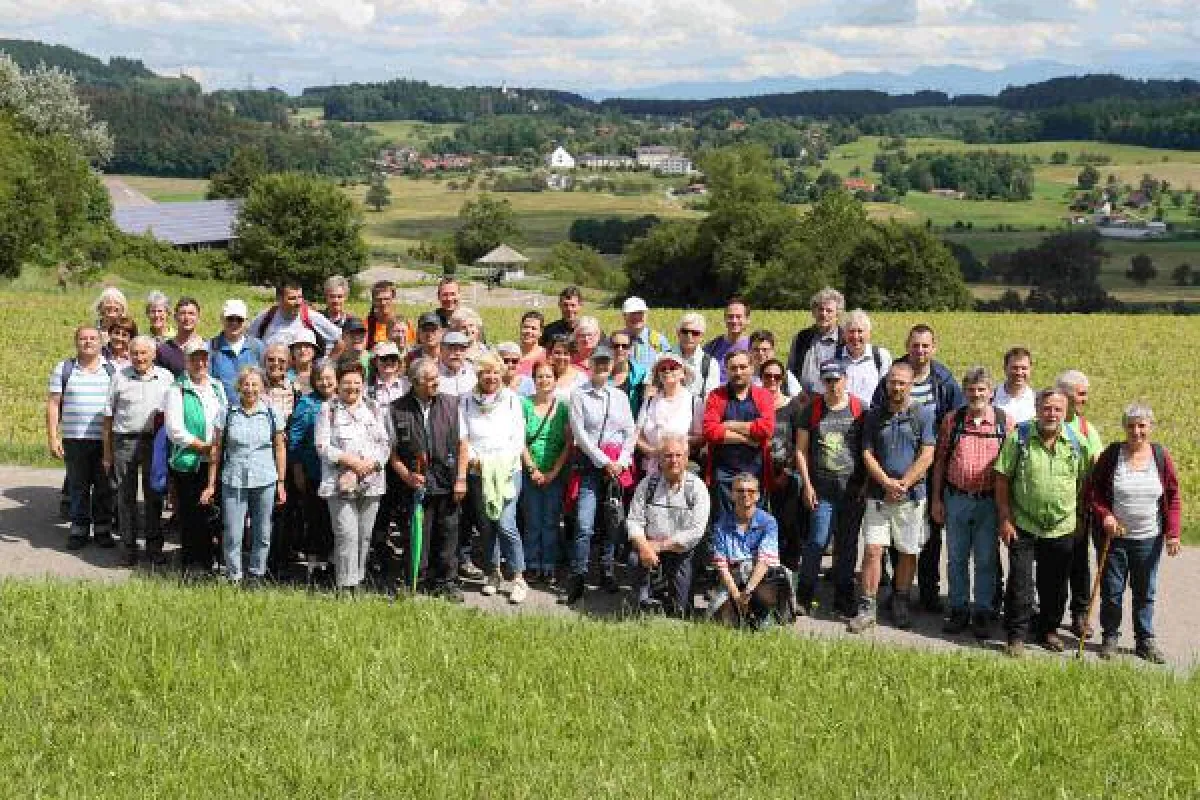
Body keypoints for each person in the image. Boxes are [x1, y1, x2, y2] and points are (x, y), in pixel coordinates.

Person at [872, 324, 964, 613]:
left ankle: (928, 590)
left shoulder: (944, 381)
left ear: (933, 348)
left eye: (925, 346)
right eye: (915, 345)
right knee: (896, 537)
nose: (920, 351)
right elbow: (877, 416)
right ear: (907, 346)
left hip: (931, 465)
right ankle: (898, 593)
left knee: (929, 535)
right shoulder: (894, 376)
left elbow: (956, 419)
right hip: (893, 466)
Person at [1086, 402, 1182, 664]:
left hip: (1149, 539)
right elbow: (1093, 490)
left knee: (1145, 591)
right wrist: (1105, 514)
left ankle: (1145, 640)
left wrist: (1173, 533)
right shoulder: (1113, 454)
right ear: (1124, 427)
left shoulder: (1160, 457)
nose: (1136, 431)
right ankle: (1110, 638)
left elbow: (1173, 496)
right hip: (1114, 538)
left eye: (1142, 426)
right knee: (1112, 590)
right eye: (1131, 425)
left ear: (1150, 427)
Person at [994, 388, 1087, 657]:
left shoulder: (1076, 442)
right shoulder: (1020, 437)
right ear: (1037, 409)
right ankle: (1017, 636)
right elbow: (1002, 477)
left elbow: (1083, 482)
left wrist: (1079, 516)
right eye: (1047, 408)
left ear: (1065, 412)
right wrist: (1005, 517)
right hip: (1023, 523)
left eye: (1057, 409)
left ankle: (1048, 630)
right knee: (1021, 585)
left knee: (1055, 586)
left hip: (1062, 526)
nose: (1052, 414)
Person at [848, 362, 936, 633]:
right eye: (892, 382)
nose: (896, 388)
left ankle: (900, 601)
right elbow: (867, 454)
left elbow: (927, 454)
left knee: (908, 551)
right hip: (878, 495)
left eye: (902, 383)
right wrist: (886, 482)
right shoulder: (873, 416)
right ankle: (867, 608)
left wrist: (905, 483)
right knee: (873, 550)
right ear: (886, 384)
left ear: (911, 385)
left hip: (911, 497)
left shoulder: (923, 415)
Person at [929, 367, 1007, 638]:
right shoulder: (953, 420)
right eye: (972, 390)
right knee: (956, 558)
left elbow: (1009, 470)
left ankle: (984, 611)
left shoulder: (1003, 422)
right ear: (964, 392)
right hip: (956, 499)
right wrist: (937, 499)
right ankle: (959, 609)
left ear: (991, 393)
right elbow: (939, 461)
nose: (976, 395)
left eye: (982, 390)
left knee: (986, 559)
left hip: (988, 502)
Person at [385, 357, 469, 601]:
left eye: (436, 377)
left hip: (447, 482)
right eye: (430, 379)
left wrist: (461, 478)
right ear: (415, 382)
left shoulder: (452, 405)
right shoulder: (396, 409)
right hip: (414, 485)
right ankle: (414, 581)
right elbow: (391, 452)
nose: (436, 382)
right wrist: (405, 475)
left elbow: (464, 444)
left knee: (448, 534)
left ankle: (446, 582)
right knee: (416, 534)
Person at [792, 360, 866, 615]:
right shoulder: (811, 409)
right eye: (828, 380)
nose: (833, 385)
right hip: (822, 490)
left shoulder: (859, 409)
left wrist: (865, 485)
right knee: (817, 541)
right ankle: (804, 592)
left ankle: (844, 594)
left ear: (846, 379)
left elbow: (867, 451)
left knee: (847, 544)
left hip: (851, 490)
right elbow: (800, 450)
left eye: (837, 379)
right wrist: (807, 485)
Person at [201, 367, 286, 586]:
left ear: (262, 387)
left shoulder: (271, 413)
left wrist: (281, 482)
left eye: (255, 384)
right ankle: (234, 575)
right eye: (246, 384)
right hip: (234, 479)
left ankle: (257, 573)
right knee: (232, 532)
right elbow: (216, 449)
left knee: (263, 532)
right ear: (239, 386)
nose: (250, 389)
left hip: (265, 478)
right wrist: (211, 484)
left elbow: (279, 448)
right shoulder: (227, 412)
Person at [566, 345, 637, 605]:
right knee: (584, 525)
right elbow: (580, 434)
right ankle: (579, 574)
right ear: (590, 364)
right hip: (590, 466)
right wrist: (603, 461)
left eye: (607, 363)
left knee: (612, 523)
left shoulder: (619, 396)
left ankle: (607, 570)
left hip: (615, 468)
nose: (603, 367)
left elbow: (630, 430)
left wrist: (621, 461)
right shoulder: (579, 395)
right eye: (598, 362)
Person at [315, 359, 391, 592]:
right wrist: (351, 462)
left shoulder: (375, 407)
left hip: (372, 483)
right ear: (338, 384)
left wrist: (373, 463)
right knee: (346, 534)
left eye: (357, 382)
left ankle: (357, 580)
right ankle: (344, 585)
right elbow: (321, 446)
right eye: (347, 382)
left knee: (364, 536)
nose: (352, 387)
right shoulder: (328, 409)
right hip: (340, 484)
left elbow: (385, 444)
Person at [460, 352, 528, 603]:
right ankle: (493, 573)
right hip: (479, 471)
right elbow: (463, 435)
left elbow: (517, 438)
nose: (490, 377)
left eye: (495, 372)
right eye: (485, 372)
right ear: (478, 375)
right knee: (487, 524)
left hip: (508, 471)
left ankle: (519, 576)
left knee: (506, 523)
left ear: (502, 374)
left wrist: (502, 462)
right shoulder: (467, 401)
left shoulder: (512, 400)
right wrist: (476, 460)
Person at [102, 335, 173, 566]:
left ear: (153, 354)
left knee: (154, 496)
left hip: (155, 441)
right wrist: (107, 452)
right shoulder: (119, 376)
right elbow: (108, 417)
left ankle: (154, 548)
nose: (139, 358)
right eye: (135, 353)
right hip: (125, 441)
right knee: (125, 497)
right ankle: (128, 548)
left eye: (144, 353)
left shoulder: (165, 377)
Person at [47, 326, 116, 550]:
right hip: (74, 439)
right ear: (76, 342)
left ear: (100, 342)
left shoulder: (111, 369)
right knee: (78, 485)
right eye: (83, 338)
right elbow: (54, 404)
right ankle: (79, 528)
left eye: (92, 338)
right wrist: (53, 437)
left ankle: (103, 528)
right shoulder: (64, 368)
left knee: (104, 486)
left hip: (104, 440)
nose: (88, 342)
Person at [626, 433, 710, 615]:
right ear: (659, 460)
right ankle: (642, 601)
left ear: (686, 459)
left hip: (681, 551)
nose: (674, 460)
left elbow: (696, 531)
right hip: (650, 549)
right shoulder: (647, 485)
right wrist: (644, 547)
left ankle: (675, 598)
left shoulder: (697, 488)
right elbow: (633, 521)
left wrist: (659, 546)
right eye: (668, 456)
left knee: (680, 610)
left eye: (678, 455)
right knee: (635, 558)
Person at [164, 339, 227, 574]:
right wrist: (203, 447)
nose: (200, 362)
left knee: (212, 515)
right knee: (191, 515)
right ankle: (192, 565)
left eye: (203, 358)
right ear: (186, 361)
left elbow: (224, 419)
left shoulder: (217, 387)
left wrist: (218, 448)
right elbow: (174, 429)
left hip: (213, 462)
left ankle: (210, 562)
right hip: (189, 462)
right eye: (194, 358)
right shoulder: (176, 389)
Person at [708, 473, 793, 627]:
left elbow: (765, 561)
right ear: (732, 495)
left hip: (761, 578)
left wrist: (747, 592)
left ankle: (768, 615)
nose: (745, 494)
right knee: (721, 622)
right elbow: (721, 565)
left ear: (758, 496)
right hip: (733, 580)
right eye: (740, 490)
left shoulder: (768, 522)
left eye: (751, 491)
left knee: (774, 579)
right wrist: (735, 594)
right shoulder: (721, 524)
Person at [1059, 368, 1105, 640]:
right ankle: (1046, 612)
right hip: (1047, 509)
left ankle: (1079, 615)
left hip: (1077, 509)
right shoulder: (1044, 419)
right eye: (1081, 394)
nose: (1085, 400)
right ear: (1066, 394)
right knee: (1050, 563)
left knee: (1078, 563)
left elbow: (1099, 463)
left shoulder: (1087, 429)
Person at [702, 350, 775, 518]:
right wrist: (748, 439)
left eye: (743, 367)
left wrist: (730, 424)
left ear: (752, 368)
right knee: (724, 522)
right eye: (733, 368)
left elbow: (766, 429)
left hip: (756, 471)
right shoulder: (716, 396)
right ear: (726, 370)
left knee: (754, 521)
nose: (738, 372)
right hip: (724, 473)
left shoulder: (763, 395)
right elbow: (711, 431)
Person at [521, 360, 573, 586]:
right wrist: (532, 468)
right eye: (540, 376)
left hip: (554, 474)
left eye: (548, 376)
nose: (544, 381)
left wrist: (554, 472)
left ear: (555, 380)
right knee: (532, 521)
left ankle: (549, 565)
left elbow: (567, 444)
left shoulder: (563, 408)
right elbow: (519, 440)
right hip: (530, 471)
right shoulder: (524, 405)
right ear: (534, 380)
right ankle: (531, 564)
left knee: (551, 521)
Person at [758, 358, 807, 571]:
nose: (772, 380)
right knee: (760, 520)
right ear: (760, 378)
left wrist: (787, 472)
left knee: (787, 520)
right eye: (767, 376)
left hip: (785, 471)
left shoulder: (793, 407)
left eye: (776, 377)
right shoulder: (755, 405)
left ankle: (790, 562)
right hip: (759, 471)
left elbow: (799, 443)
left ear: (782, 379)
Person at [288, 360, 337, 570]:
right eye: (320, 378)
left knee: (334, 522)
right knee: (316, 520)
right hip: (314, 472)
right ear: (314, 381)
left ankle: (333, 565)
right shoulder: (306, 404)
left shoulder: (343, 401)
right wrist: (298, 470)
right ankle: (315, 567)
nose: (325, 383)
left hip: (338, 474)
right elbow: (295, 439)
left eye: (329, 378)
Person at [636, 352, 703, 476]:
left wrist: (675, 445)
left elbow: (701, 438)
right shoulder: (650, 400)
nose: (667, 371)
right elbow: (637, 435)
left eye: (672, 368)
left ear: (683, 374)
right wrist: (652, 451)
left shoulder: (694, 402)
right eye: (663, 369)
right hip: (651, 467)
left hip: (682, 467)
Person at [249, 281, 341, 355]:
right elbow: (249, 342)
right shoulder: (266, 317)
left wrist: (328, 363)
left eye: (300, 297)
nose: (298, 302)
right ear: (279, 299)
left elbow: (340, 342)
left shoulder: (310, 317)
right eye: (292, 298)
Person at [787, 287, 844, 396]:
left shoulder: (844, 339)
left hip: (832, 400)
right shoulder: (801, 337)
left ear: (838, 314)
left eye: (829, 310)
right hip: (803, 401)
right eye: (820, 309)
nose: (823, 314)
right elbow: (790, 371)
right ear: (814, 312)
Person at [208, 299, 265, 406]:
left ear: (246, 322)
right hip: (221, 413)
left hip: (253, 412)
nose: (234, 323)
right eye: (230, 319)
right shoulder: (211, 347)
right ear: (222, 319)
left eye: (239, 319)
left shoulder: (257, 347)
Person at [837, 309, 891, 409]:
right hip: (843, 418)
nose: (855, 336)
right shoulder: (835, 357)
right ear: (844, 334)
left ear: (869, 334)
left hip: (872, 417)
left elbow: (887, 390)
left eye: (860, 331)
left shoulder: (881, 356)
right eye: (851, 331)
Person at [675, 312, 721, 399]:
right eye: (685, 331)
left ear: (702, 337)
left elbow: (712, 398)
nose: (689, 336)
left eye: (695, 333)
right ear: (678, 333)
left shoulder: (711, 364)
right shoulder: (662, 358)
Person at [703, 296, 750, 380]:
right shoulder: (711, 347)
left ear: (747, 320)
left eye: (738, 317)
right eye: (730, 316)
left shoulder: (754, 348)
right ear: (725, 319)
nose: (734, 321)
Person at [621, 296, 672, 370]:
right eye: (632, 313)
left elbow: (669, 367)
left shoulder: (660, 340)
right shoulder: (615, 341)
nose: (636, 317)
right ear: (624, 316)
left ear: (646, 315)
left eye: (640, 313)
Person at [156, 297, 202, 376]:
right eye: (182, 313)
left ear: (198, 318)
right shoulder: (164, 350)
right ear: (175, 317)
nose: (187, 318)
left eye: (191, 313)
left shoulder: (207, 347)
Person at [607, 329, 648, 419]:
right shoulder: (602, 374)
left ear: (630, 348)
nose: (620, 349)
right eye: (615, 346)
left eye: (625, 346)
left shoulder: (642, 374)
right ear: (609, 348)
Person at [749, 330, 803, 397]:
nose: (760, 353)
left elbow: (802, 402)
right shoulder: (745, 377)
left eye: (765, 350)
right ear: (750, 352)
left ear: (773, 351)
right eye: (756, 349)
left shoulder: (786, 377)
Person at [366, 279, 414, 349]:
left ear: (393, 299)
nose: (383, 303)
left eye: (386, 299)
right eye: (379, 299)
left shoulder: (405, 325)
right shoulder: (365, 326)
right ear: (373, 301)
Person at [993, 347, 1035, 424]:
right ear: (1005, 368)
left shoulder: (1037, 399)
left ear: (1030, 369)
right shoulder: (991, 396)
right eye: (1015, 368)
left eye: (1024, 368)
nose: (1019, 372)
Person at [262, 343, 298, 424]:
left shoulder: (295, 389)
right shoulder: (255, 384)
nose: (276, 363)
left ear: (288, 364)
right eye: (271, 359)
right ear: (264, 361)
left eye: (282, 361)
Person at [546, 333, 587, 398]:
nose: (561, 357)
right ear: (551, 353)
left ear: (571, 355)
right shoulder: (544, 375)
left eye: (566, 353)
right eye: (557, 353)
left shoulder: (580, 379)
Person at [437, 330, 477, 396]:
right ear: (441, 349)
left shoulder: (474, 371)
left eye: (462, 349)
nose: (457, 353)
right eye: (452, 349)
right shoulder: (432, 373)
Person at [288, 328, 319, 395]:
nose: (302, 350)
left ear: (314, 351)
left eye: (307, 346)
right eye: (298, 347)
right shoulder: (285, 376)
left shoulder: (320, 374)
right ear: (292, 351)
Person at [515, 310, 546, 377]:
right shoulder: (511, 353)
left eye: (533, 328)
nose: (528, 331)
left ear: (541, 332)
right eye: (525, 327)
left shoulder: (545, 357)